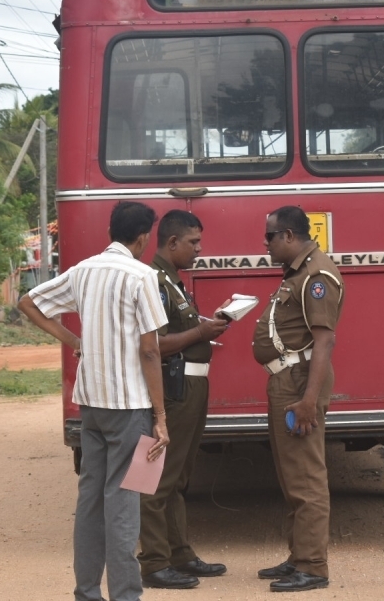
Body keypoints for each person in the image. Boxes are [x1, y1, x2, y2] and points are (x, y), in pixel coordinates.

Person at [18, 201, 169, 601]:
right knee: (123, 502)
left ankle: (86, 592)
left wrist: (74, 342)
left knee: (90, 500)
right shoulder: (142, 276)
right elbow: (150, 350)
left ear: (110, 232)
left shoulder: (83, 271)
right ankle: (125, 596)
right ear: (142, 237)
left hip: (91, 404)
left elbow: (28, 303)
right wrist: (161, 417)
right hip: (130, 406)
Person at [252, 206, 344, 593]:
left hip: (299, 383)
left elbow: (324, 341)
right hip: (287, 381)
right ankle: (298, 557)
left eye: (270, 237)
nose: (266, 244)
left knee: (306, 478)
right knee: (292, 476)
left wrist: (308, 401)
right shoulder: (298, 272)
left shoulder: (316, 275)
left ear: (289, 236)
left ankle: (313, 566)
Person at [138, 210, 230, 589]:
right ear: (172, 243)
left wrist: (205, 326)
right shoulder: (154, 281)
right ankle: (154, 563)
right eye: (193, 243)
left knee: (177, 478)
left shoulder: (173, 281)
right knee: (153, 478)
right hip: (171, 389)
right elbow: (154, 345)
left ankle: (179, 554)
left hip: (189, 388)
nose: (199, 249)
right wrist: (202, 331)